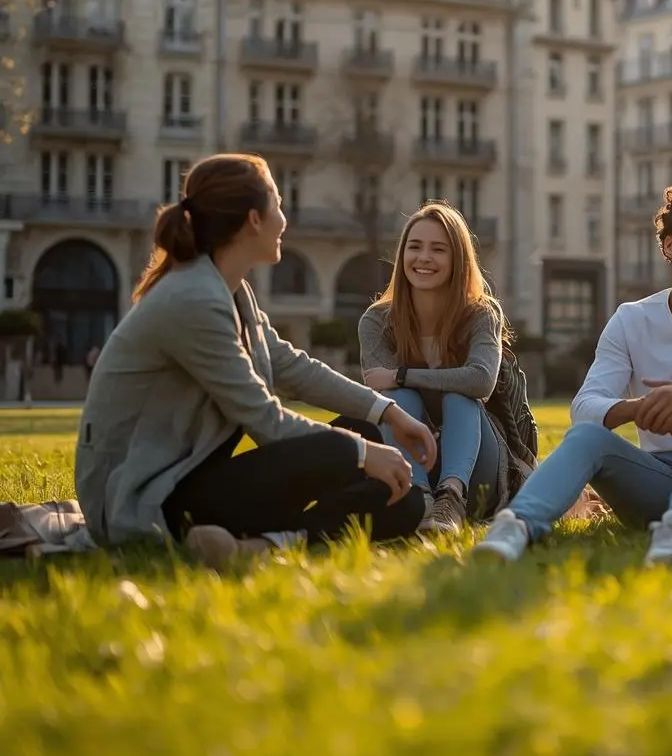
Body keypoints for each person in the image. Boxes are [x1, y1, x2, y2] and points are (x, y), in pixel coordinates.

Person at [75, 154, 437, 569]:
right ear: (253, 219)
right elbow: (266, 421)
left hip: (193, 482)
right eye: (278, 205)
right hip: (144, 501)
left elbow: (290, 365)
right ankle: (286, 537)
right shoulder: (192, 299)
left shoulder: (230, 290)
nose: (284, 220)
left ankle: (271, 545)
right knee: (351, 450)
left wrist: (387, 413)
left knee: (401, 498)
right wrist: (359, 453)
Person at [475, 180, 672, 566]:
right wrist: (640, 408)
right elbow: (585, 408)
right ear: (669, 245)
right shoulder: (632, 319)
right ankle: (516, 527)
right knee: (587, 436)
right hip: (665, 480)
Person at [358, 202, 508, 534]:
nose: (424, 257)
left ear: (458, 260)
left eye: (438, 249)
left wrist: (401, 374)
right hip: (406, 461)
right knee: (399, 400)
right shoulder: (377, 321)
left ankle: (450, 500)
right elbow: (376, 389)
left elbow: (481, 381)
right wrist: (401, 383)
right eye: (415, 247)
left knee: (459, 395)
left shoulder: (481, 314)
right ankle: (420, 501)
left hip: (475, 466)